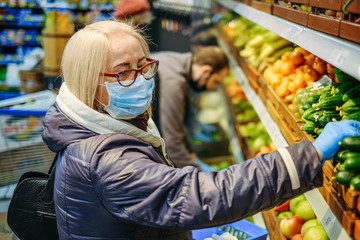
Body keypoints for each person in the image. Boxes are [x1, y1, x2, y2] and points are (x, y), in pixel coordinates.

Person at [41, 20, 360, 240]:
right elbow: (199, 196)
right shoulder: (103, 158)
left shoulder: (97, 126)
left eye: (143, 66)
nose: (140, 80)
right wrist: (309, 155)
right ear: (88, 82)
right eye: (123, 73)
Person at [151, 46, 229, 169]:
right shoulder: (174, 83)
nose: (213, 88)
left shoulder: (177, 61)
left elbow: (177, 124)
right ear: (206, 71)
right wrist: (199, 175)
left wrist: (191, 153)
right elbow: (172, 144)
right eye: (215, 81)